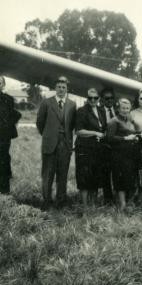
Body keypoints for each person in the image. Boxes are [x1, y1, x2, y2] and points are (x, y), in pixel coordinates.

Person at [36, 76, 77, 208]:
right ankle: (47, 201)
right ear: (55, 88)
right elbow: (40, 123)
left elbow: (72, 125)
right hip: (50, 143)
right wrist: (49, 135)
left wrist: (67, 140)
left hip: (65, 144)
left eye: (63, 87)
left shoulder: (72, 104)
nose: (61, 89)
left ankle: (61, 201)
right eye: (59, 87)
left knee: (63, 174)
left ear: (67, 89)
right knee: (48, 173)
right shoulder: (46, 103)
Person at [74, 88, 107, 207]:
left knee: (95, 176)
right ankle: (84, 206)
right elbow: (78, 131)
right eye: (90, 98)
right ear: (87, 98)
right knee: (84, 177)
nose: (93, 100)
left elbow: (103, 128)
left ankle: (93, 204)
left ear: (99, 99)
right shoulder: (81, 111)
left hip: (98, 149)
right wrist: (95, 133)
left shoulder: (101, 110)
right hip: (84, 148)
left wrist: (103, 135)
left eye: (95, 98)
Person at [107, 98, 141, 210]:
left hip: (130, 155)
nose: (125, 110)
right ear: (118, 108)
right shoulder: (114, 121)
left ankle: (129, 203)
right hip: (119, 155)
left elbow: (133, 133)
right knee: (120, 179)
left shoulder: (130, 121)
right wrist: (125, 138)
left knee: (129, 178)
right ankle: (122, 204)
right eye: (123, 108)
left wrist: (136, 137)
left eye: (127, 108)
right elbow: (110, 138)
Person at [0, 75, 21, 194]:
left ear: (3, 85)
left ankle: (4, 193)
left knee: (3, 161)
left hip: (3, 137)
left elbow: (14, 114)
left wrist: (7, 127)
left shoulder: (8, 99)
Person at [100, 88, 117, 202]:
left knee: (117, 172)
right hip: (104, 146)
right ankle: (108, 198)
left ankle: (118, 195)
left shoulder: (118, 110)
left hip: (117, 146)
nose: (109, 101)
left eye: (111, 98)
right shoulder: (99, 111)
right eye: (107, 98)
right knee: (105, 173)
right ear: (102, 100)